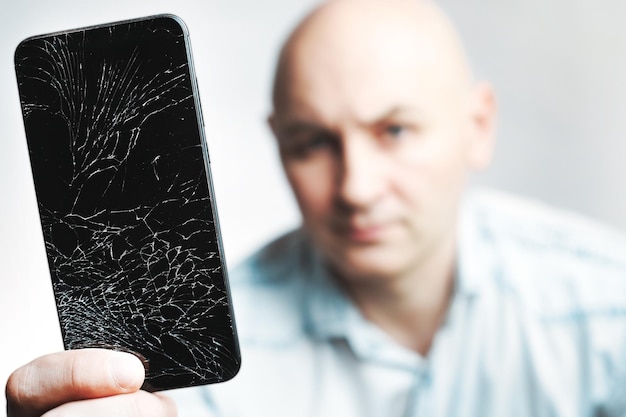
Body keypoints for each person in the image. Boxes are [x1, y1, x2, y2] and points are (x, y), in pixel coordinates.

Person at [7, 0, 626, 416]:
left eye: (395, 131)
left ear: (478, 127)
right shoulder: (196, 375)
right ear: (278, 145)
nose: (355, 186)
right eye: (313, 144)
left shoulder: (608, 303)